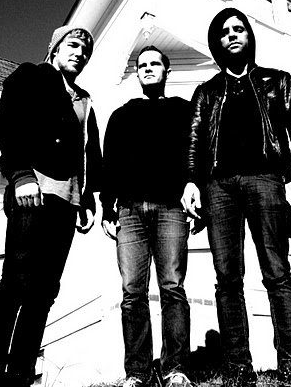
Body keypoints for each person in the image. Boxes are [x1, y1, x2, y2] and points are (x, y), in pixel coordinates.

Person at [181, 8, 291, 387]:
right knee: (227, 279)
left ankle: (290, 364)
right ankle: (239, 368)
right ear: (217, 43)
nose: (232, 35)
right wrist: (191, 182)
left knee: (277, 273)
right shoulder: (206, 92)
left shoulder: (278, 81)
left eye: (239, 28)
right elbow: (193, 140)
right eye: (224, 31)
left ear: (249, 36)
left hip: (266, 180)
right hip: (219, 188)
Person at [0, 26, 102, 387]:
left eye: (85, 50)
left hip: (67, 201)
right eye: (73, 45)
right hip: (32, 192)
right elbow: (8, 124)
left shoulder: (84, 101)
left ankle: (19, 376)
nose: (79, 53)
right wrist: (19, 174)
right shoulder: (31, 76)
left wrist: (87, 198)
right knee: (16, 283)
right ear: (55, 49)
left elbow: (87, 152)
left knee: (44, 292)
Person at [101, 46, 193, 387]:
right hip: (129, 211)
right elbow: (109, 165)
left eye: (156, 63)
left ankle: (175, 369)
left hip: (172, 208)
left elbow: (195, 157)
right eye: (143, 65)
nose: (149, 68)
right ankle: (137, 372)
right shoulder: (121, 115)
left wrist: (195, 197)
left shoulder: (183, 111)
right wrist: (107, 209)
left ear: (167, 71)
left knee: (172, 287)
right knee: (132, 292)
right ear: (137, 73)